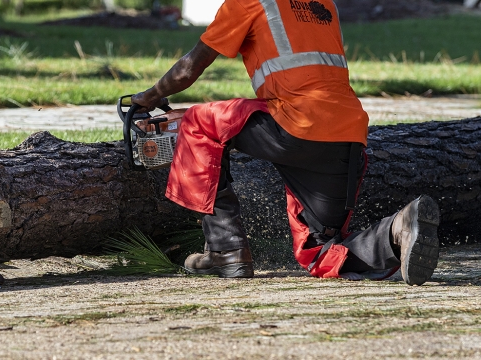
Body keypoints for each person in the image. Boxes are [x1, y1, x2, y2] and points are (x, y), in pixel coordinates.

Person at [131, 0, 440, 285]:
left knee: (199, 121)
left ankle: (226, 250)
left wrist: (150, 96)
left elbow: (189, 68)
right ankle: (397, 230)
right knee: (318, 252)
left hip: (296, 125)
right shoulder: (322, 3)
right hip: (347, 134)